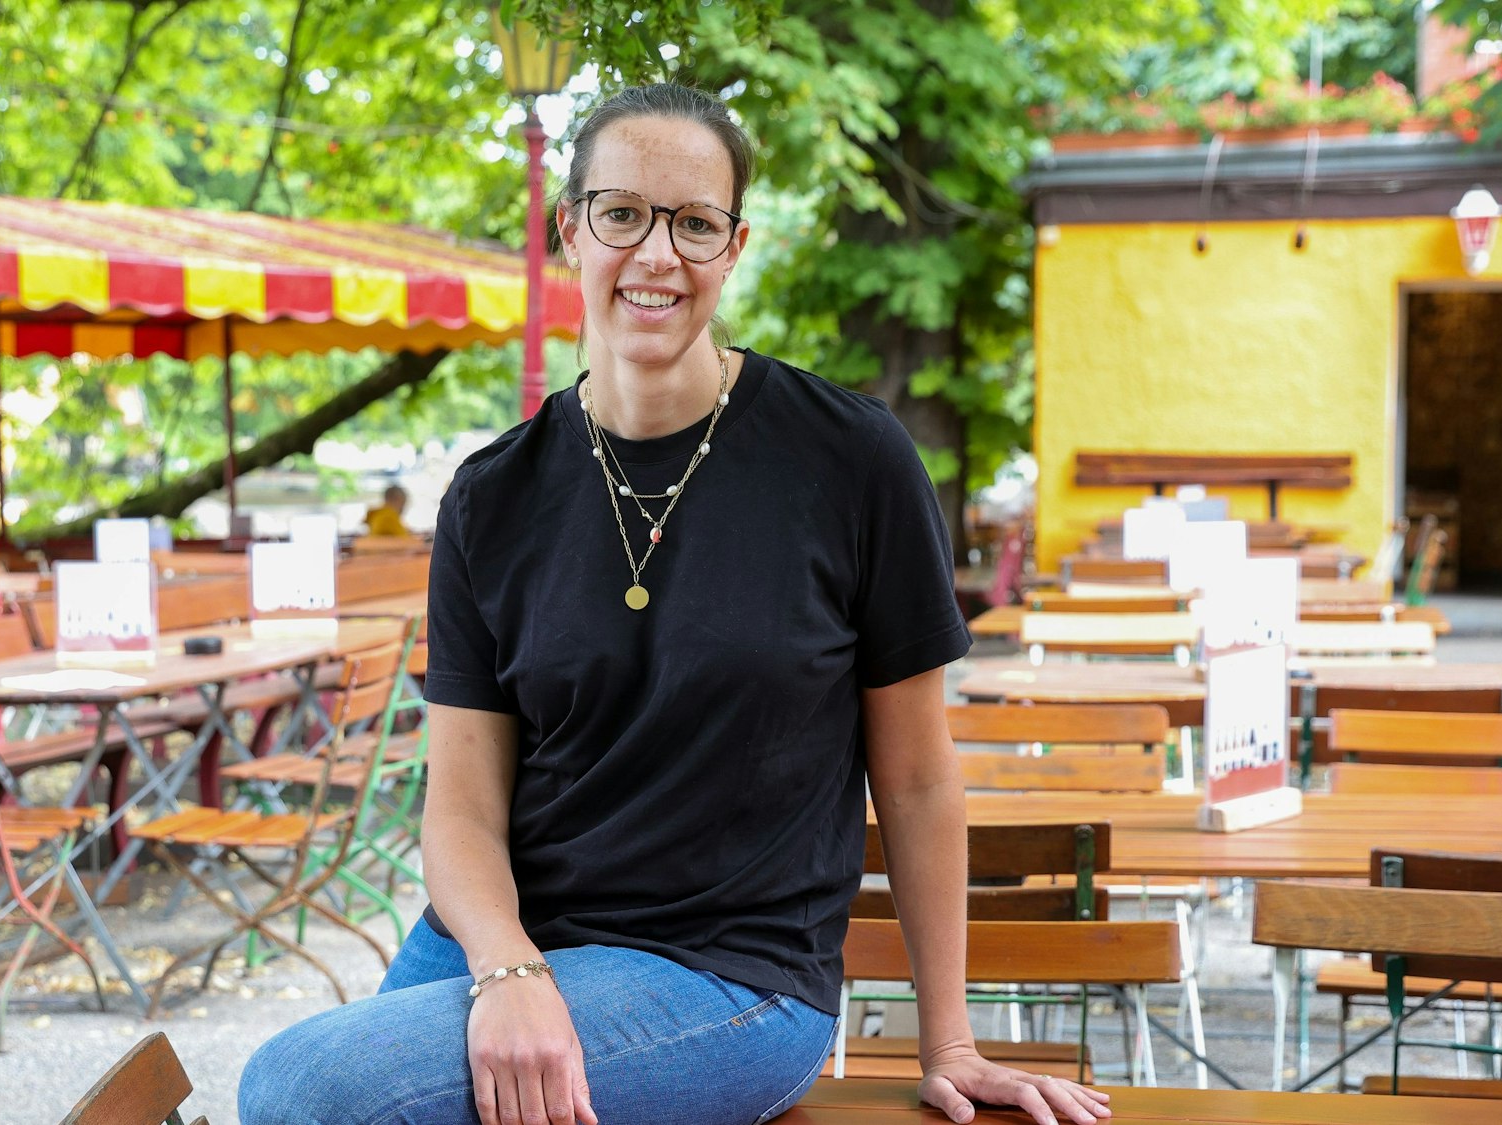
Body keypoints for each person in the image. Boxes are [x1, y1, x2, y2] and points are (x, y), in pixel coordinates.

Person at [238, 84, 1112, 1125]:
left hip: (728, 980)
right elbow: (462, 808)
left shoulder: (849, 460)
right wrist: (510, 968)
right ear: (570, 229)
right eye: (621, 214)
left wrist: (950, 1042)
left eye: (693, 223)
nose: (656, 255)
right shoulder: (491, 494)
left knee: (302, 1091)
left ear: (733, 247)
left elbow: (917, 778)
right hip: (504, 935)